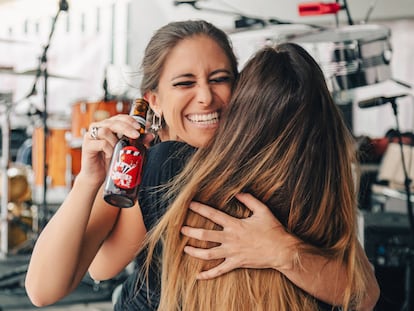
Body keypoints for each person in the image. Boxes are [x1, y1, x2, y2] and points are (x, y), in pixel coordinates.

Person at [24, 20, 379, 310]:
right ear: (154, 101)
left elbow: (364, 293)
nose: (206, 97)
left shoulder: (267, 169)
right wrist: (90, 180)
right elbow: (59, 283)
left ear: (241, 88)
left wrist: (281, 251)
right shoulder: (157, 165)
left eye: (220, 79)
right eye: (185, 83)